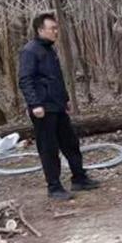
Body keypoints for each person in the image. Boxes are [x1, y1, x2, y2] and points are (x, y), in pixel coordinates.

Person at [18, 12, 99, 200]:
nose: (56, 31)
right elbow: (25, 80)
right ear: (40, 30)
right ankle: (54, 187)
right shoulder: (30, 51)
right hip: (43, 108)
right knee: (49, 148)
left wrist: (65, 99)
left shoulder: (49, 49)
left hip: (58, 105)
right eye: (52, 28)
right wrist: (35, 104)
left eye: (56, 28)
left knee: (70, 143)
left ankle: (79, 178)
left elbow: (56, 78)